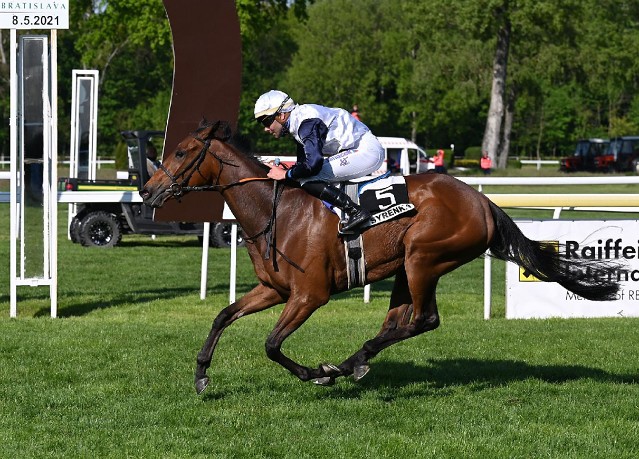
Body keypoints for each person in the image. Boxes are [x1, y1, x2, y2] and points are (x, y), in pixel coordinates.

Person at [255, 90, 384, 232]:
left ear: (282, 115)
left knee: (308, 180)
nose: (266, 128)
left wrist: (285, 174)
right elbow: (302, 165)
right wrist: (287, 170)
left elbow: (313, 165)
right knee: (302, 177)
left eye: (266, 121)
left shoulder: (306, 123)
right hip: (359, 148)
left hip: (366, 150)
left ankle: (355, 211)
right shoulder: (298, 122)